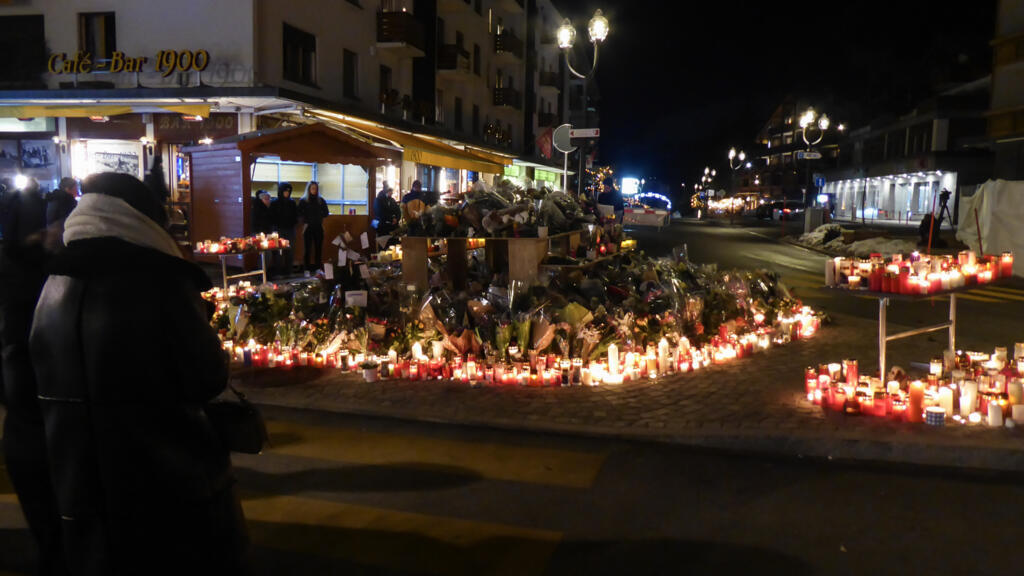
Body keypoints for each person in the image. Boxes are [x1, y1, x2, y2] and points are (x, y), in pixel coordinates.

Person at [29, 172, 251, 575]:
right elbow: (205, 377)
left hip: (81, 484)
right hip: (167, 480)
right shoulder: (161, 278)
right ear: (142, 218)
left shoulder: (52, 283)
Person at [0, 176, 66, 575]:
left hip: (23, 411)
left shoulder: (11, 267)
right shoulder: (48, 271)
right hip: (44, 408)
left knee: (44, 513)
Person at [296, 181, 329, 274]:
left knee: (318, 248)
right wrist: (306, 219)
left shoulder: (321, 200)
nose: (314, 190)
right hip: (308, 226)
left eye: (316, 188)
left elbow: (326, 212)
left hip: (318, 226)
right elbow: (299, 212)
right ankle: (306, 269)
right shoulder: (303, 200)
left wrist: (319, 216)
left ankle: (318, 268)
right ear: (309, 189)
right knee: (307, 249)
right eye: (313, 188)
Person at [270, 182, 297, 277]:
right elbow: (272, 217)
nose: (287, 193)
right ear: (281, 191)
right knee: (278, 253)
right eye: (285, 191)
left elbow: (295, 216)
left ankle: (289, 272)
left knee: (290, 251)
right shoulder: (274, 203)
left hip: (290, 229)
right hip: (278, 229)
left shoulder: (292, 202)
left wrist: (293, 224)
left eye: (289, 191)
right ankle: (278, 272)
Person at [44, 177, 79, 251]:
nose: (77, 191)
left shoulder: (53, 198)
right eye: (76, 188)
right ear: (67, 189)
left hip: (51, 237)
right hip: (62, 239)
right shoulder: (68, 201)